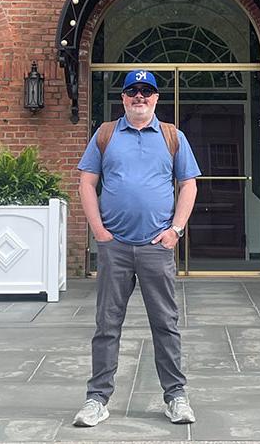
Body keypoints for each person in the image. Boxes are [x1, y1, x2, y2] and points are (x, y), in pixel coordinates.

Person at [72, 69, 201, 428]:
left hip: (156, 247)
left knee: (166, 324)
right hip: (114, 247)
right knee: (107, 324)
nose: (139, 97)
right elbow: (86, 182)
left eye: (147, 91)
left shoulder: (172, 136)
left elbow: (188, 185)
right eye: (133, 91)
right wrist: (98, 230)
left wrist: (175, 230)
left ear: (156, 98)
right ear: (123, 98)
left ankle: (176, 396)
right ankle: (97, 400)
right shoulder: (106, 134)